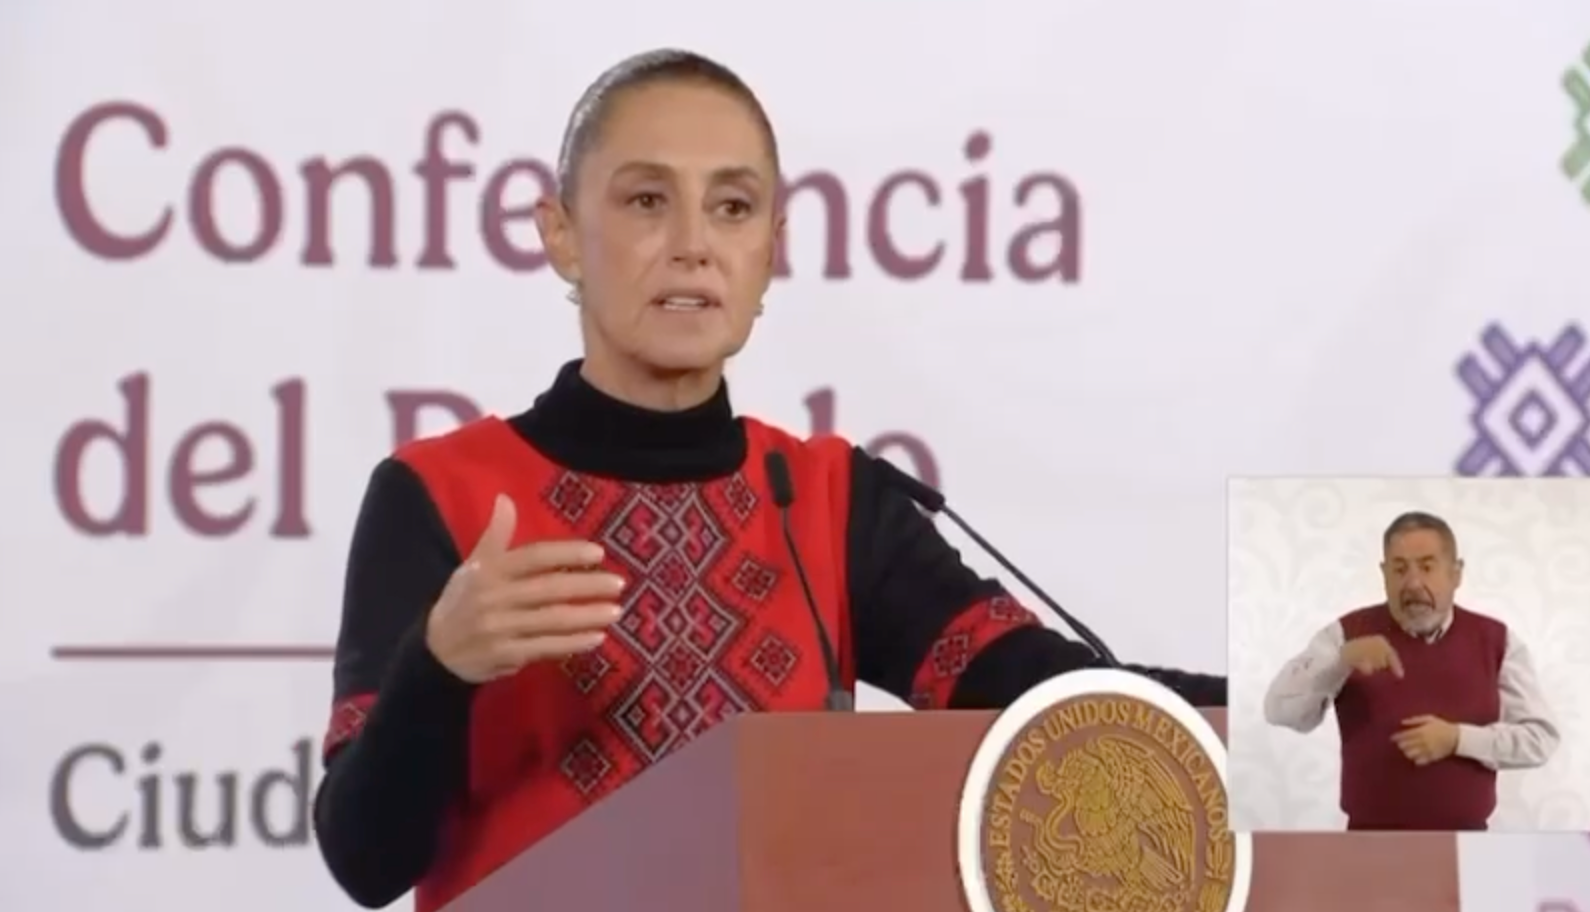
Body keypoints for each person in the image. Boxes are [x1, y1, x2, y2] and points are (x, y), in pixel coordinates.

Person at [311, 48, 1227, 911]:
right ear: (561, 235)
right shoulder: (442, 493)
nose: (693, 245)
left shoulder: (828, 498)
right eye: (645, 201)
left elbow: (1039, 691)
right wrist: (441, 665)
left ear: (772, 248)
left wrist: (1280, 710)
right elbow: (366, 864)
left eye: (733, 207)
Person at [1262, 510, 1559, 831]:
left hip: (1467, 843)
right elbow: (1278, 711)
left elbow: (1540, 739)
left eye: (1427, 567)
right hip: (1368, 843)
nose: (1413, 583)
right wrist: (1340, 662)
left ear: (1456, 574)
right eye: (1400, 569)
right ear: (1384, 574)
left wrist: (1457, 739)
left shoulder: (1497, 641)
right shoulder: (1346, 634)